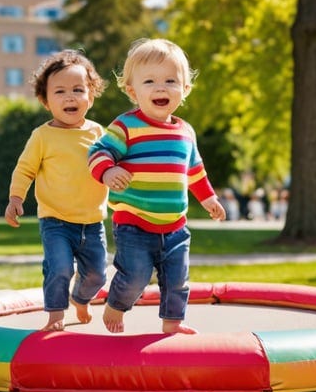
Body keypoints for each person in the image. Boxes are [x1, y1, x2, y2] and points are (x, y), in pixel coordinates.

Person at [88, 38, 226, 335]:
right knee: (135, 276)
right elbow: (97, 152)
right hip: (134, 223)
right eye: (149, 81)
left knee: (178, 279)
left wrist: (209, 199)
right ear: (132, 90)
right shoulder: (125, 126)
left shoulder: (186, 132)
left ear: (184, 90)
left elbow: (195, 171)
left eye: (170, 81)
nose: (160, 88)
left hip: (175, 226)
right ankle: (116, 303)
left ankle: (172, 323)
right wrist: (108, 170)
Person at [5, 49, 109, 331]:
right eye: (60, 91)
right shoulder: (42, 136)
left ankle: (80, 298)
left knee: (97, 276)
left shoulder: (100, 134)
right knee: (60, 268)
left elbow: (113, 167)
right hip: (55, 221)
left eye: (78, 89)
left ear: (91, 94)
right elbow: (24, 169)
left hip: (92, 222)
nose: (70, 97)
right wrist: (16, 198)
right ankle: (55, 315)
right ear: (45, 100)